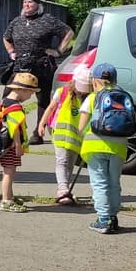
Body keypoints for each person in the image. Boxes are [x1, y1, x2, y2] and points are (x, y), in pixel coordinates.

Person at [2, 0, 74, 144]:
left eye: (30, 2)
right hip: (20, 66)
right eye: (25, 3)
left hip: (41, 66)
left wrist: (58, 51)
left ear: (38, 5)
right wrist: (11, 52)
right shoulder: (17, 22)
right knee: (8, 97)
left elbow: (69, 32)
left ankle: (38, 133)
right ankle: (10, 130)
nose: (27, 5)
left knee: (43, 100)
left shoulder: (47, 20)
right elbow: (6, 37)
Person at [78, 63, 128, 234]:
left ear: (95, 81)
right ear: (115, 80)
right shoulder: (123, 98)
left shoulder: (92, 98)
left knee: (100, 183)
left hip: (95, 145)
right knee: (114, 182)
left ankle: (104, 219)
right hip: (119, 147)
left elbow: (81, 126)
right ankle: (113, 217)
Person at [38, 65, 91, 205]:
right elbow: (51, 107)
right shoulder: (62, 92)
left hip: (76, 138)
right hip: (60, 135)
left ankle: (65, 188)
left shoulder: (88, 98)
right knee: (62, 161)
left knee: (70, 164)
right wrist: (42, 123)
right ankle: (62, 189)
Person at [0, 73, 40, 213]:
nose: (30, 97)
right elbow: (14, 128)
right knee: (9, 172)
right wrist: (18, 145)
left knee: (9, 170)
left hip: (4, 144)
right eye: (31, 93)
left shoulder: (5, 101)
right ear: (22, 90)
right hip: (10, 146)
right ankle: (6, 201)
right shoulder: (15, 107)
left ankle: (9, 196)